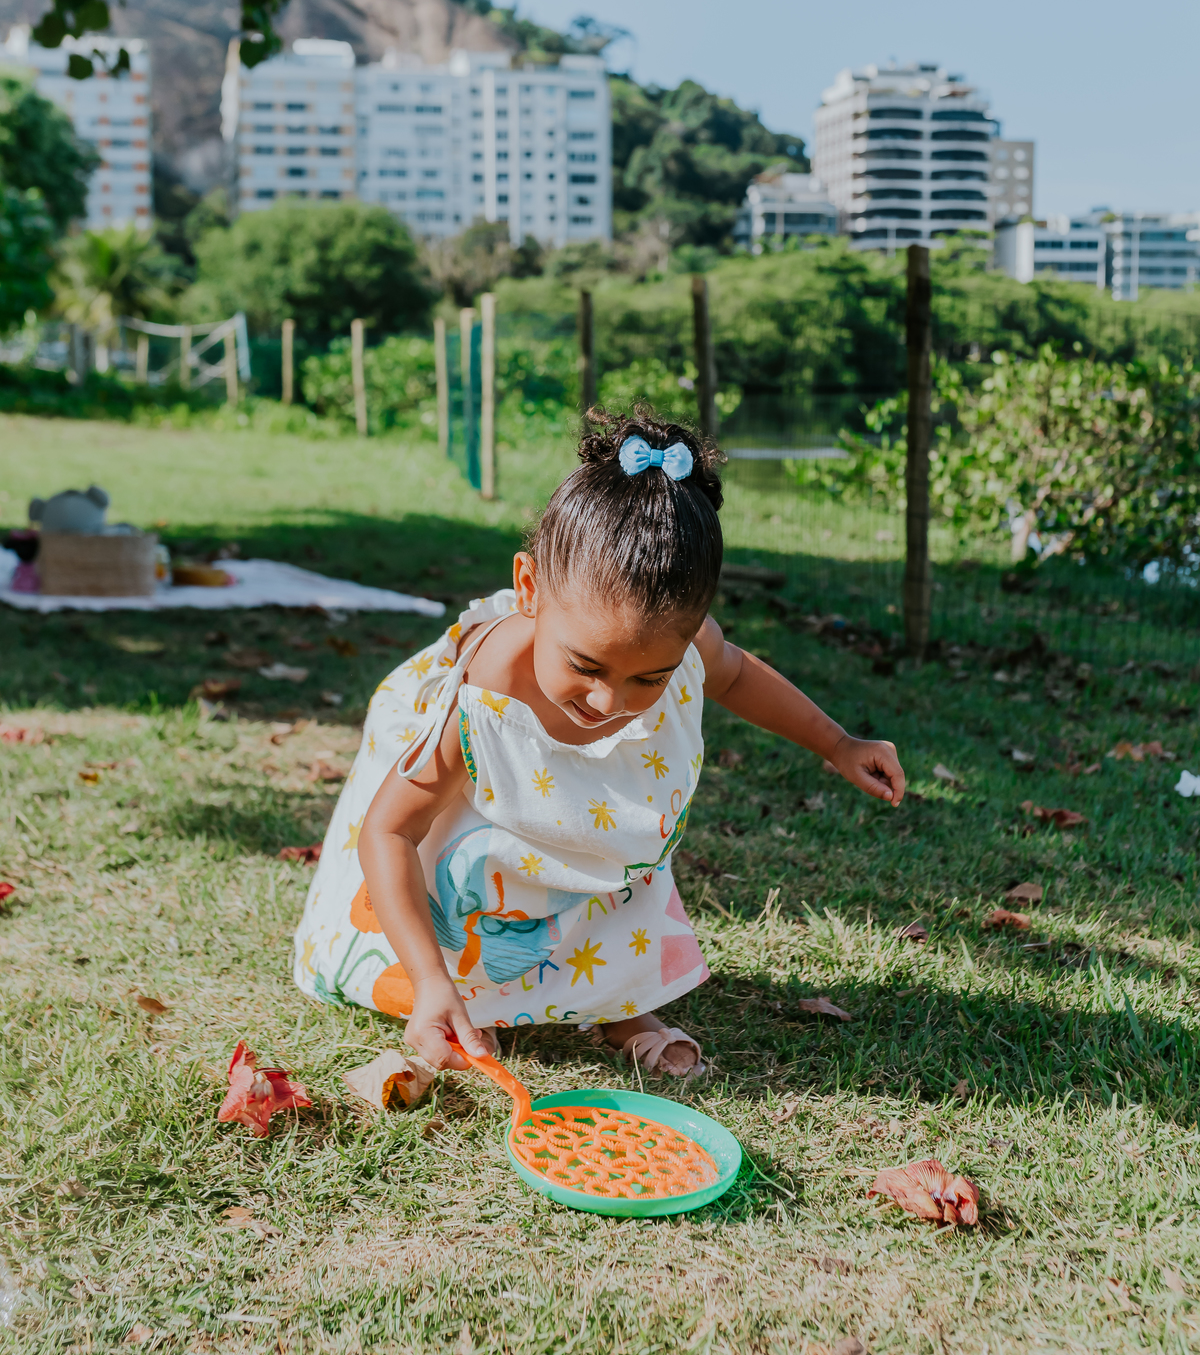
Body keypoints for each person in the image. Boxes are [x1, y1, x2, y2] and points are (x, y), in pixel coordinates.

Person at [292, 408, 905, 1078]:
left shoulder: (685, 639)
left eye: (651, 676)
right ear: (529, 590)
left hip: (582, 809)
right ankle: (452, 987)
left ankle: (617, 1002)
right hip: (472, 813)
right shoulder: (484, 696)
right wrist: (432, 982)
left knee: (607, 845)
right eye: (585, 666)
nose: (610, 702)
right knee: (475, 901)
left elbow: (733, 673)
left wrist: (838, 742)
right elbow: (390, 831)